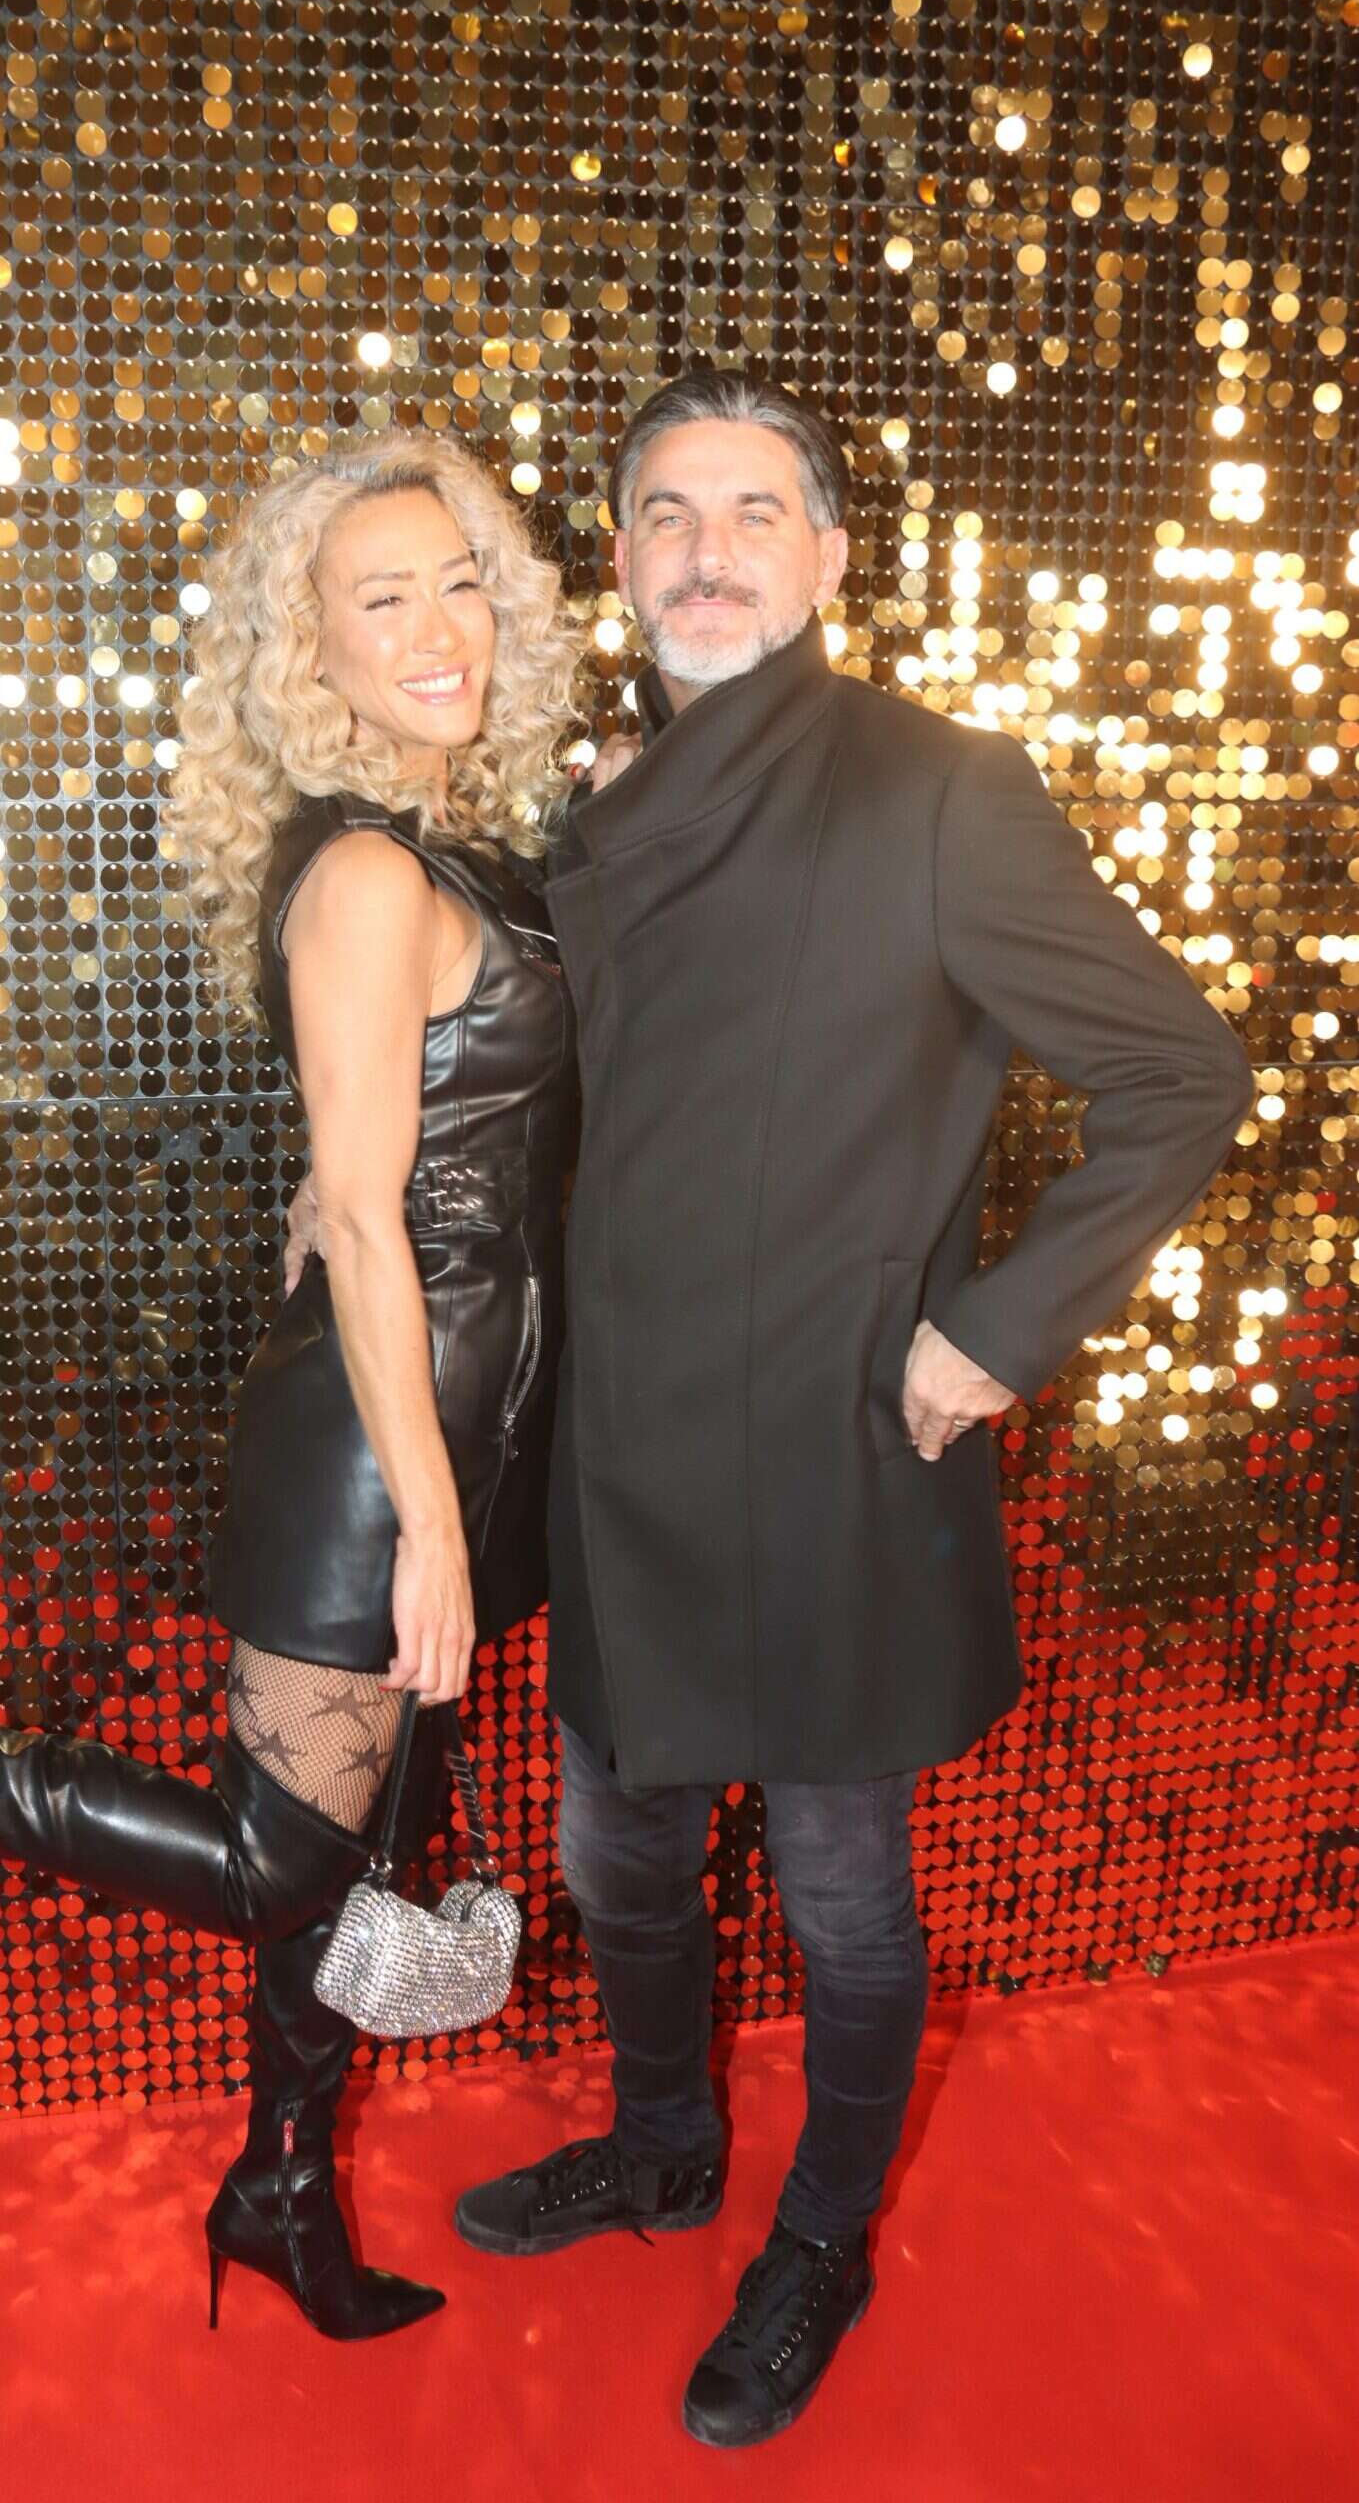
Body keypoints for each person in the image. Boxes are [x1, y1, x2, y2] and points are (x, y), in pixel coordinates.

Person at [0, 429, 582, 2345]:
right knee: (273, 1861)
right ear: (313, 649)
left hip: (469, 1424)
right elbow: (371, 1218)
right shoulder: (367, 874)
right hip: (383, 1451)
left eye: (460, 582)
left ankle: (282, 2189)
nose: (438, 629)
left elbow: (409, 1164)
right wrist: (425, 1517)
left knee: (362, 1853)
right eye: (382, 598)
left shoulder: (455, 845)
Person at [443, 366, 1256, 2449]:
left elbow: (1183, 1071)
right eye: (666, 513)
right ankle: (662, 2146)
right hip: (625, 1453)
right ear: (621, 558)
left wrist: (995, 1332)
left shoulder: (936, 790)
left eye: (752, 512)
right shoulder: (595, 803)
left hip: (830, 1446)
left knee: (839, 1894)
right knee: (614, 1855)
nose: (705, 550)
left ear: (824, 554)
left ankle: (818, 2234)